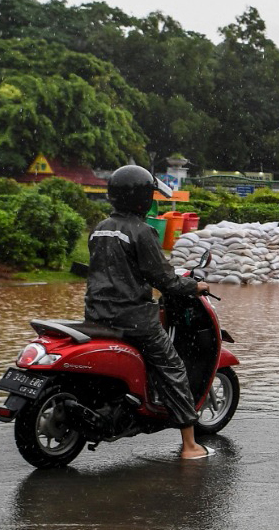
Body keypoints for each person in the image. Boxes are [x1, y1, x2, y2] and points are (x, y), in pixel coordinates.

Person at [84, 165, 211, 460]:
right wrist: (195, 286)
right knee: (173, 367)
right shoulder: (142, 232)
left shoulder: (99, 228)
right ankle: (191, 446)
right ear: (142, 198)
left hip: (95, 315)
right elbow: (164, 280)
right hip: (133, 319)